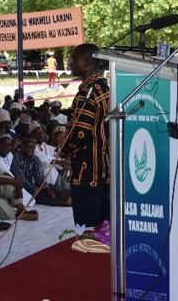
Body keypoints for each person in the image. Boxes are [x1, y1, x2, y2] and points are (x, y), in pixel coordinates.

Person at [62, 43, 110, 227]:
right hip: (104, 170)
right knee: (103, 228)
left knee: (87, 228)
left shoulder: (87, 93)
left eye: (74, 59)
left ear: (88, 62)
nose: (70, 63)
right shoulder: (104, 88)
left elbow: (80, 134)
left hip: (86, 172)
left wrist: (65, 150)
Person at [11, 136, 70, 207]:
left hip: (33, 185)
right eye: (28, 147)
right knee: (46, 197)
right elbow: (22, 181)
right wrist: (39, 190)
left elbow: (39, 177)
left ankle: (68, 198)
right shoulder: (16, 157)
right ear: (22, 147)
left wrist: (46, 189)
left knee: (55, 190)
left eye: (33, 148)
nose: (30, 150)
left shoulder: (35, 159)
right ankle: (65, 203)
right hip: (21, 187)